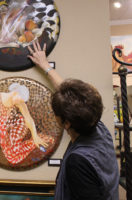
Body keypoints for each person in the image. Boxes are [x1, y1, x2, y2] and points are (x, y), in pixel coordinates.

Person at [27, 41, 119, 200]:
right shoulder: (99, 129)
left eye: (55, 112)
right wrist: (45, 66)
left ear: (67, 122)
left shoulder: (78, 163)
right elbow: (72, 96)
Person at [0, 83, 54, 165]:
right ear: (15, 92)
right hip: (4, 130)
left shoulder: (20, 103)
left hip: (18, 123)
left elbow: (28, 118)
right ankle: (36, 140)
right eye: (21, 99)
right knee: (12, 159)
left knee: (14, 148)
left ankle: (37, 139)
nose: (21, 102)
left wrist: (34, 136)